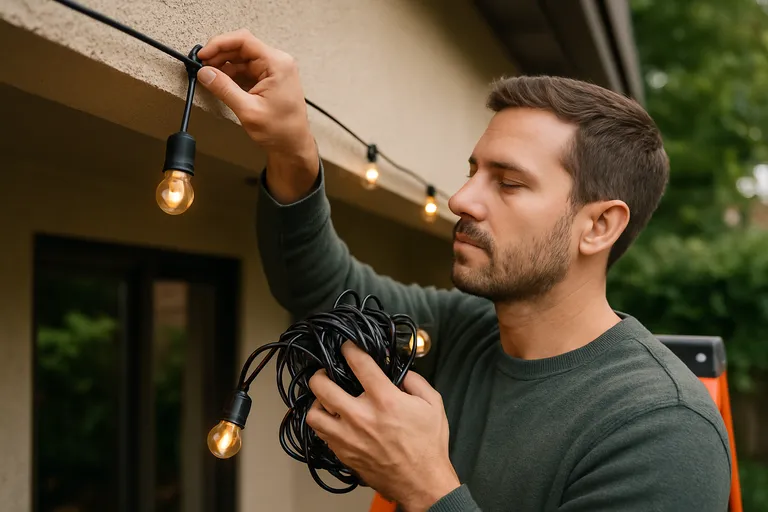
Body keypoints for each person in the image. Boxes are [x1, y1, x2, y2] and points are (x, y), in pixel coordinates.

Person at [196, 29, 732, 512]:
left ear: (598, 227)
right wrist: (292, 149)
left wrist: (426, 488)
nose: (460, 199)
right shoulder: (461, 332)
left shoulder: (662, 429)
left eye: (509, 182)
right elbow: (318, 290)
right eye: (473, 171)